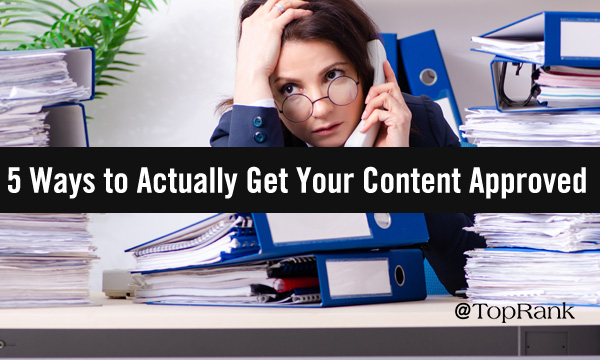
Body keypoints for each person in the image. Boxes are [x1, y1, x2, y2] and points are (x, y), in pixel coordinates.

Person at [211, 0, 486, 295]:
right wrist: (250, 73)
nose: (320, 109)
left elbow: (474, 278)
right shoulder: (243, 135)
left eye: (332, 75)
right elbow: (249, 276)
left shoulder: (419, 122)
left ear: (366, 66)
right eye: (289, 88)